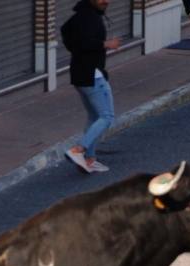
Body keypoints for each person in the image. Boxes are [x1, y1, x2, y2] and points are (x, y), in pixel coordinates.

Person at [62, 0, 120, 174]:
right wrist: (106, 44)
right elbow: (85, 43)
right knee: (107, 116)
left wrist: (74, 49)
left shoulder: (79, 16)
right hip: (92, 76)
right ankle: (78, 150)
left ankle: (88, 159)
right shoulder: (90, 18)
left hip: (80, 75)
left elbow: (65, 31)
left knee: (94, 116)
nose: (106, 1)